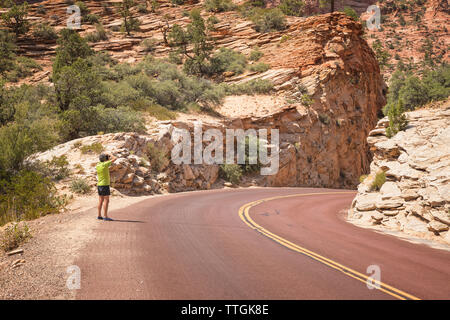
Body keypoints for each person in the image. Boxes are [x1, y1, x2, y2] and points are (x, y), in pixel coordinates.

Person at [96, 153, 117, 221]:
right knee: (106, 200)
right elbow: (115, 158)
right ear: (105, 159)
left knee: (100, 200)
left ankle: (99, 215)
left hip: (99, 185)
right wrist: (110, 154)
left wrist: (106, 157)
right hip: (105, 185)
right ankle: (105, 216)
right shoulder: (105, 165)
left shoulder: (98, 165)